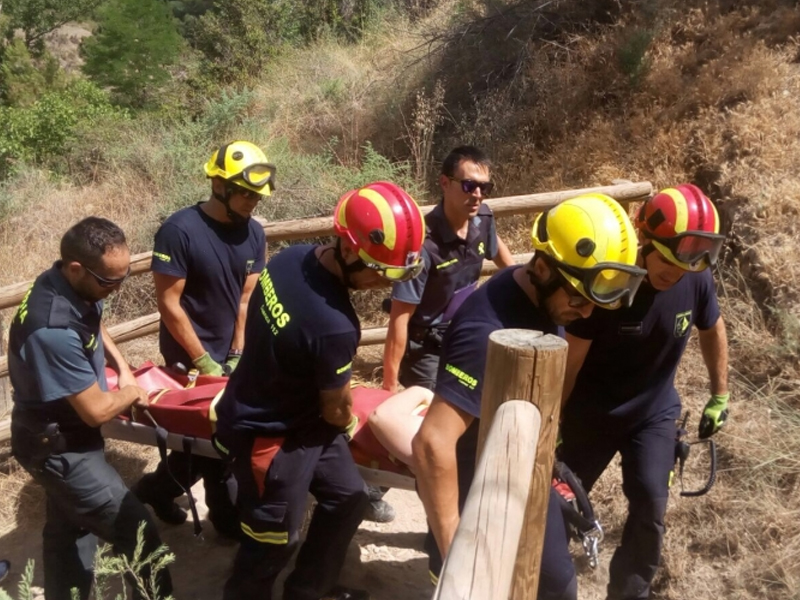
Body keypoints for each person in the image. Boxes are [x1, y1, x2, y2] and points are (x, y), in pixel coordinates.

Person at [412, 194, 647, 598]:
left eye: (594, 303)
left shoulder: (535, 295)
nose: (587, 314)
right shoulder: (485, 328)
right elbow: (432, 443)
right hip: (479, 485)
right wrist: (457, 553)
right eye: (577, 299)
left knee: (555, 585)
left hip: (524, 471)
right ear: (542, 268)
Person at [212, 181, 426, 600]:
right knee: (272, 541)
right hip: (271, 437)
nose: (383, 283)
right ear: (348, 250)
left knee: (348, 499)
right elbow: (335, 409)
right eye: (379, 270)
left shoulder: (292, 258)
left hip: (299, 420)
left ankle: (308, 591)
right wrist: (352, 421)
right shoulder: (335, 324)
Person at [558, 183, 729, 600]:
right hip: (588, 415)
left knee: (652, 505)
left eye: (685, 265)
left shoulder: (694, 275)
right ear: (644, 238)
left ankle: (630, 593)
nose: (675, 274)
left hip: (653, 411)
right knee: (556, 508)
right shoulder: (608, 283)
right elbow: (570, 360)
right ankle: (544, 583)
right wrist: (553, 422)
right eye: (666, 263)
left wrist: (719, 393)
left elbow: (713, 327)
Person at [8, 217, 172, 600]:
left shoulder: (65, 284)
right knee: (140, 537)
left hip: (56, 436)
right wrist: (130, 394)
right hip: (59, 448)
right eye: (109, 282)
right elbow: (97, 412)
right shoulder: (52, 328)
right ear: (77, 268)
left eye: (123, 278)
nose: (115, 290)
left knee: (69, 532)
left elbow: (93, 326)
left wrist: (124, 370)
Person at [132, 140, 271, 537]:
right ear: (218, 183)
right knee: (212, 437)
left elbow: (246, 299)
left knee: (214, 436)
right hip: (186, 355)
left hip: (228, 354)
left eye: (256, 195)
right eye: (245, 193)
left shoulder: (254, 234)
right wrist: (202, 360)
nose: (252, 202)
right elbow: (169, 304)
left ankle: (157, 490)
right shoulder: (179, 231)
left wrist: (238, 351)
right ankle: (224, 518)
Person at [375, 145, 514, 522]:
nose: (478, 194)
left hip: (465, 340)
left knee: (464, 430)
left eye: (485, 186)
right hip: (427, 349)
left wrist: (515, 280)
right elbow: (399, 319)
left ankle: (380, 491)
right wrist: (389, 386)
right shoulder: (424, 244)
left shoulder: (483, 217)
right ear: (445, 183)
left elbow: (498, 250)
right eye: (469, 185)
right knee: (434, 439)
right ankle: (427, 519)